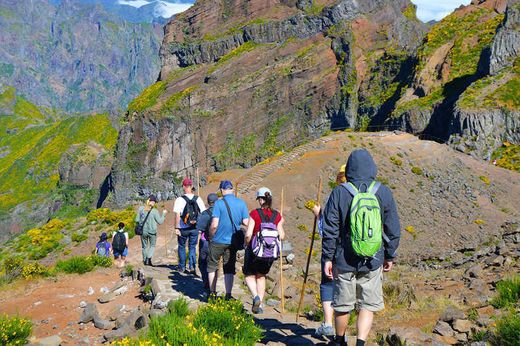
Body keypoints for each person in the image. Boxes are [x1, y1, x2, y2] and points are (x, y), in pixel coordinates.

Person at [322, 149, 401, 346]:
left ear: (348, 169)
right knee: (368, 304)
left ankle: (340, 340)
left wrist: (328, 259)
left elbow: (330, 230)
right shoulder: (383, 192)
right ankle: (360, 343)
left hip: (344, 259)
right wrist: (389, 256)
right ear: (372, 168)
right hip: (373, 259)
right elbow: (393, 228)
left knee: (342, 304)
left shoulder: (339, 192)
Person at [310, 164, 346, 338]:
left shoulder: (336, 196)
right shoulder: (362, 195)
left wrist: (319, 216)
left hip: (333, 249)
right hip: (352, 252)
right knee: (345, 286)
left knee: (328, 284)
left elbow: (326, 230)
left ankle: (328, 324)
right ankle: (343, 330)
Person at [244, 187, 285, 314]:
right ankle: (260, 305)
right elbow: (282, 235)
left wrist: (246, 244)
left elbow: (248, 234)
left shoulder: (254, 214)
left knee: (249, 275)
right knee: (261, 276)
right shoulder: (277, 215)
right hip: (269, 252)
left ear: (261, 200)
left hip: (254, 250)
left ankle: (255, 296)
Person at [207, 180, 249, 300]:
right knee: (229, 268)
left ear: (222, 190)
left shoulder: (218, 204)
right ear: (232, 189)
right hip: (233, 242)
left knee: (212, 267)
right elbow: (246, 222)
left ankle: (212, 293)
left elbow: (214, 225)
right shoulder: (241, 203)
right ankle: (228, 294)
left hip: (218, 240)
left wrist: (211, 236)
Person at [173, 178, 206, 274]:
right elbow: (203, 213)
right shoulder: (198, 199)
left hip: (183, 228)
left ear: (183, 187)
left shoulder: (179, 200)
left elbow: (177, 215)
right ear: (191, 186)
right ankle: (192, 266)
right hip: (195, 227)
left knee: (182, 246)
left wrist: (176, 227)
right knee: (192, 247)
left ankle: (182, 267)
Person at [135, 194, 167, 266]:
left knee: (144, 247)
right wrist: (164, 214)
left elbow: (137, 220)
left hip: (142, 231)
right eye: (154, 202)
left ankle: (145, 261)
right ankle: (148, 259)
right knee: (152, 245)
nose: (154, 203)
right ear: (153, 202)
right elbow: (160, 221)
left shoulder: (141, 209)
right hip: (152, 232)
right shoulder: (155, 211)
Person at [196, 193, 219, 291]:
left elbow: (199, 230)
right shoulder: (221, 213)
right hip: (218, 242)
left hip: (205, 242)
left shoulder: (204, 214)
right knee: (214, 264)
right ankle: (213, 285)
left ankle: (206, 281)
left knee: (202, 262)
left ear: (208, 202)